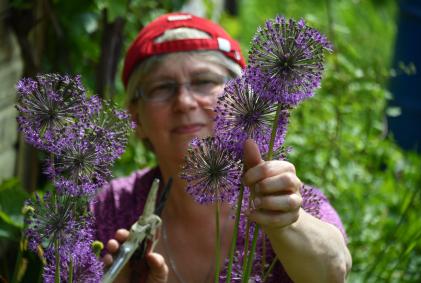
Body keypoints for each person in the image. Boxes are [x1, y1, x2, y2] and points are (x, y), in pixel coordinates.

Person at [93, 12, 352, 283]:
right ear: (136, 118)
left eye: (204, 81)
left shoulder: (287, 199)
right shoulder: (113, 209)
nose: (184, 102)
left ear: (242, 98)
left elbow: (334, 271)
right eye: (162, 87)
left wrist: (289, 221)